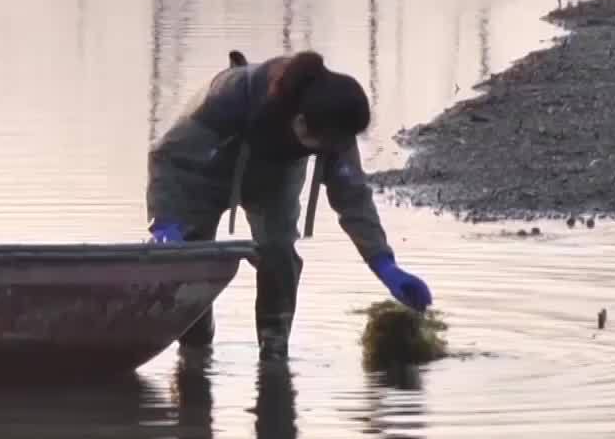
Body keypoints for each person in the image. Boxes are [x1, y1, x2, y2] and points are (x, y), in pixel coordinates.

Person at [145, 48, 432, 360]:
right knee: (192, 257)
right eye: (321, 143)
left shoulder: (333, 127)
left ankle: (274, 348)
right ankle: (195, 351)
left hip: (276, 178)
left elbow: (352, 197)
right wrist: (165, 224)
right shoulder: (226, 99)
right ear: (300, 121)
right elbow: (166, 158)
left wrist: (383, 263)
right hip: (204, 171)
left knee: (279, 252)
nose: (330, 151)